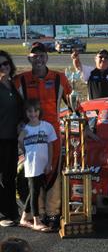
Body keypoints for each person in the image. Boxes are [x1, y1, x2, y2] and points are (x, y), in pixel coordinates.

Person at [14, 42, 72, 229]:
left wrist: (84, 126)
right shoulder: (20, 80)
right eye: (34, 56)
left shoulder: (59, 78)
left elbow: (74, 103)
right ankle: (37, 213)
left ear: (46, 58)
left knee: (53, 171)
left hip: (52, 134)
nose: (38, 59)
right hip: (31, 134)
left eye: (41, 56)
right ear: (29, 59)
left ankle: (53, 213)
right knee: (34, 173)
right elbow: (10, 103)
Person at [18, 99, 56, 232]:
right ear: (26, 113)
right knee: (34, 193)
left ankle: (23, 218)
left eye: (35, 111)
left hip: (43, 164)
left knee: (34, 191)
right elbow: (20, 143)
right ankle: (36, 221)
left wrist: (49, 163)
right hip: (32, 165)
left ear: (39, 112)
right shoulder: (25, 129)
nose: (33, 113)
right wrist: (26, 152)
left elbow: (50, 145)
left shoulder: (47, 126)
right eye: (29, 111)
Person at [0, 50, 23, 227]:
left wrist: (22, 123)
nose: (3, 67)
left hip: (12, 138)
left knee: (10, 175)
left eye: (5, 63)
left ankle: (12, 211)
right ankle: (4, 214)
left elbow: (20, 110)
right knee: (2, 177)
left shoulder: (13, 85)